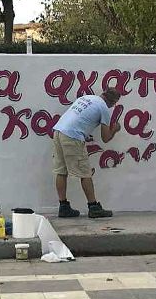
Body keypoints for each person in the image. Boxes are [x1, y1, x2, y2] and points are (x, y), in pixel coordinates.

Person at [51, 87, 120, 218]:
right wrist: (115, 129)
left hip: (58, 131)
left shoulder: (86, 97)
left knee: (61, 171)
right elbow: (105, 138)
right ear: (113, 102)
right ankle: (93, 207)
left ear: (103, 93)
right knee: (85, 173)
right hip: (73, 136)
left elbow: (79, 118)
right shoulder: (103, 108)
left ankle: (63, 206)